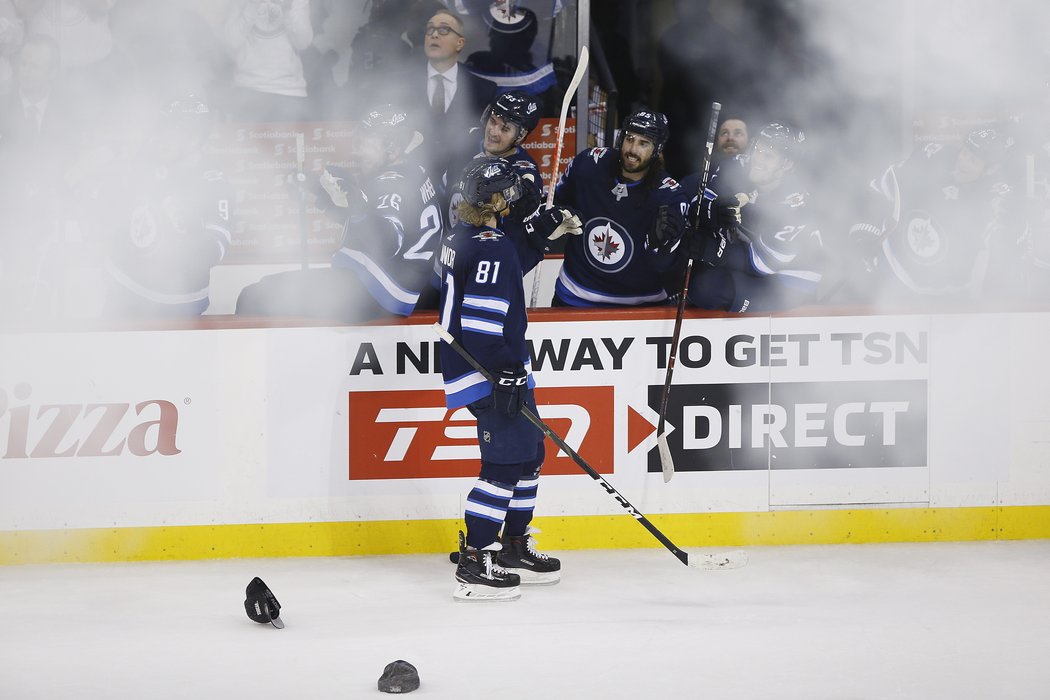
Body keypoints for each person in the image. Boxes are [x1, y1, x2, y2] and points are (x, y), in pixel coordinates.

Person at [438, 156, 569, 601]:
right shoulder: (491, 245)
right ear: (493, 199)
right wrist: (506, 373)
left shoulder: (466, 235)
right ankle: (475, 559)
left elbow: (501, 269)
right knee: (505, 464)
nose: (515, 194)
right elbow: (481, 321)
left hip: (491, 364)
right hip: (489, 370)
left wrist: (538, 238)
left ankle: (514, 544)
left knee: (531, 452)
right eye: (508, 190)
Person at [235, 105, 443, 322]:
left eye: (364, 144)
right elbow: (363, 220)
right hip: (382, 286)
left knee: (253, 296)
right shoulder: (410, 171)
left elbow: (387, 240)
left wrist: (356, 207)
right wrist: (319, 193)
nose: (357, 151)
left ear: (392, 148)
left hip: (376, 289)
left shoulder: (391, 184)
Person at [840, 126, 1020, 305]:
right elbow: (882, 186)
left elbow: (1004, 246)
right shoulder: (933, 157)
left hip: (947, 295)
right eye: (964, 153)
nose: (963, 162)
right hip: (894, 269)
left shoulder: (996, 197)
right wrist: (864, 229)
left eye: (973, 161)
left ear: (990, 169)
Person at [96, 96, 234, 317]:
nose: (158, 139)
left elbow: (217, 246)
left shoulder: (213, 182)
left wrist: (184, 230)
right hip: (124, 292)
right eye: (159, 131)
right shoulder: (142, 163)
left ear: (194, 139)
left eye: (169, 133)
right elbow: (114, 214)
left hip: (179, 304)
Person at [551, 108, 690, 307]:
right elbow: (554, 204)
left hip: (639, 309)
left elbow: (669, 267)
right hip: (575, 296)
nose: (633, 149)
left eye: (644, 143)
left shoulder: (670, 197)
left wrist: (661, 247)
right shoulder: (588, 165)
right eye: (630, 139)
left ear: (657, 149)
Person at [682, 121, 824, 313]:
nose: (758, 159)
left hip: (787, 283)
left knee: (705, 288)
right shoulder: (739, 165)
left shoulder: (796, 205)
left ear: (787, 164)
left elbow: (762, 264)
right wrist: (711, 211)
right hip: (751, 259)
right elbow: (694, 195)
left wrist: (712, 249)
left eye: (768, 156)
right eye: (758, 149)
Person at [406, 7, 496, 187]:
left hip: (464, 190)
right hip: (413, 190)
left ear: (459, 43)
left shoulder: (485, 90)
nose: (434, 35)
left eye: (444, 30)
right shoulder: (404, 86)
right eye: (430, 29)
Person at [220, 0, 314, 123]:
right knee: (245, 142)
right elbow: (232, 41)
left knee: (288, 140)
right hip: (248, 89)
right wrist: (252, 5)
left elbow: (303, 43)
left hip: (289, 90)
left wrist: (288, 9)